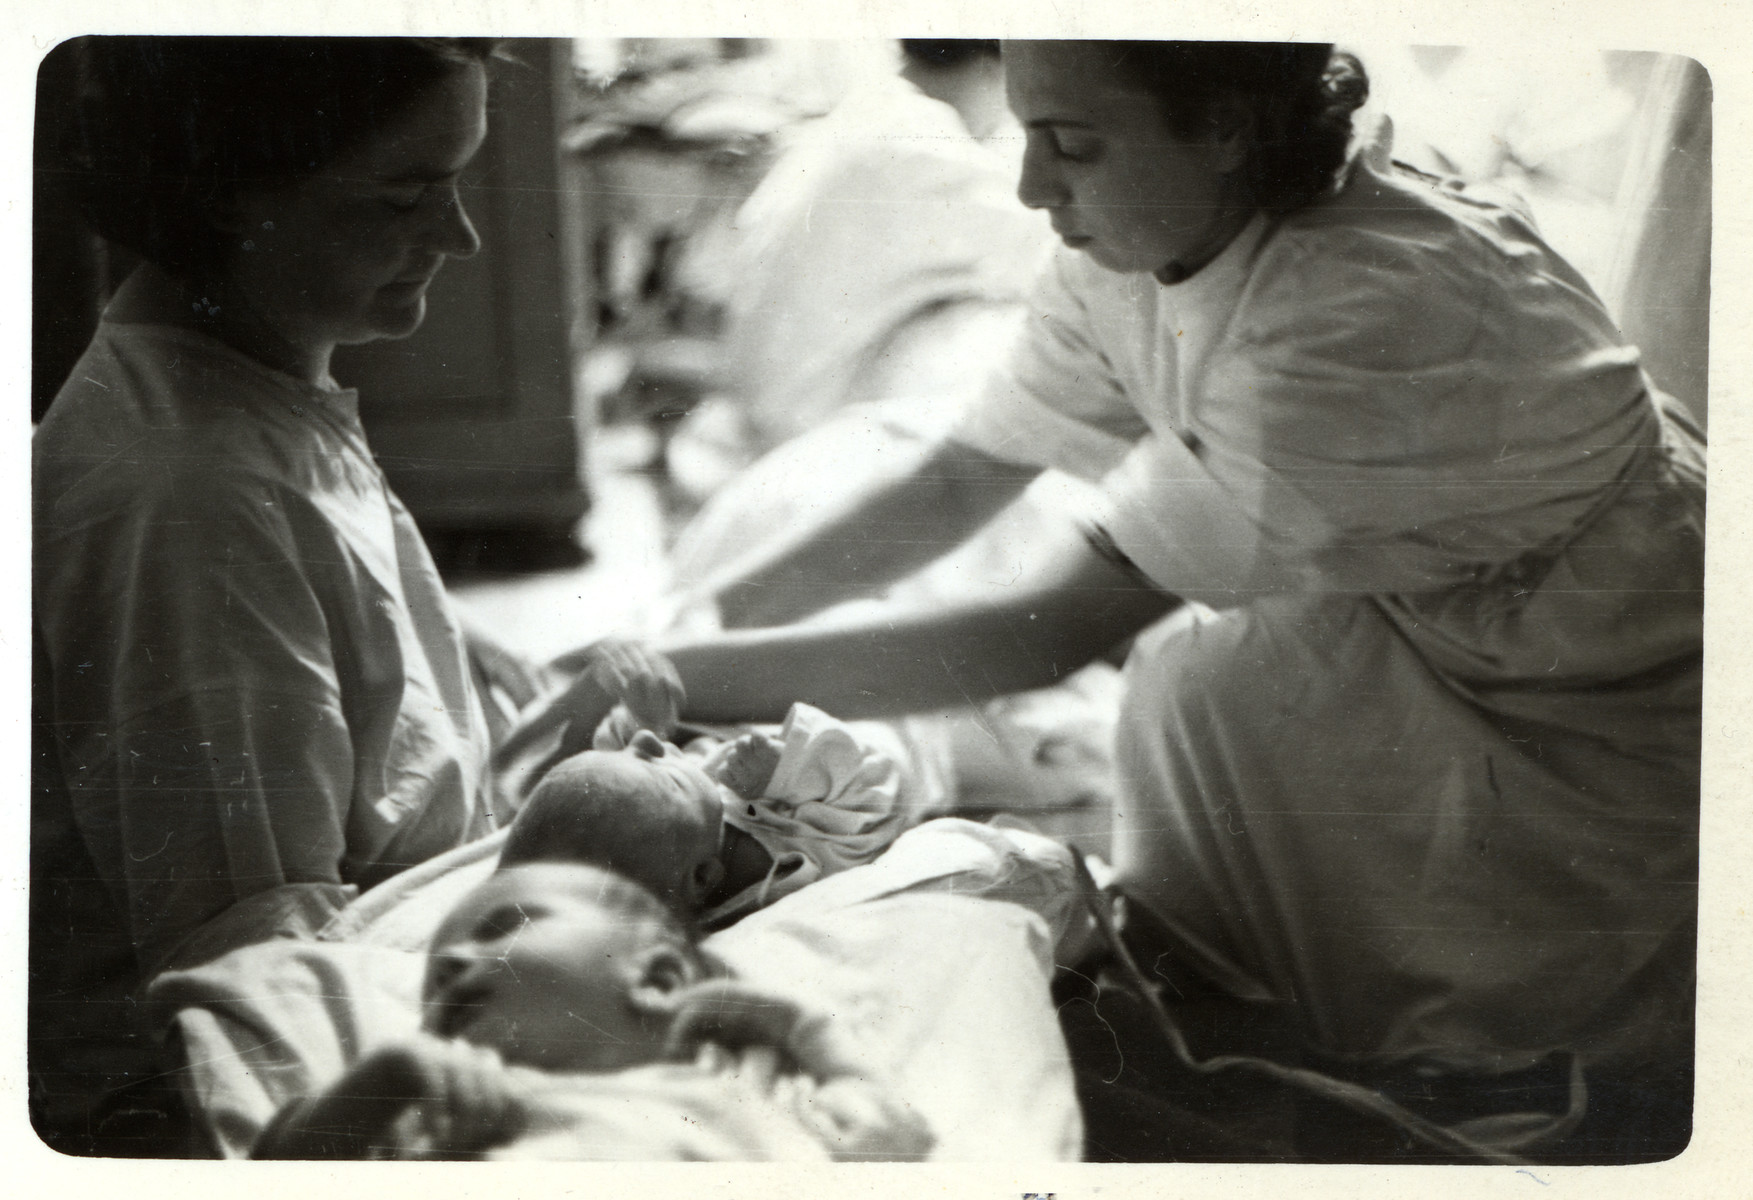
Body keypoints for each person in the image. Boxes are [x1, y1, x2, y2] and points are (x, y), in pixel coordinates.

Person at [509, 40, 1705, 1161]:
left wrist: (683, 677)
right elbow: (961, 476)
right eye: (1026, 130)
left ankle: (1446, 1080)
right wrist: (688, 619)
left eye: (1071, 144)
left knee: (1257, 755)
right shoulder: (1133, 245)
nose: (1028, 184)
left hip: (1601, 650)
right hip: (1422, 585)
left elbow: (1039, 632)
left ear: (1227, 129)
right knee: (1206, 714)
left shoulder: (1355, 314)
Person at [28, 37, 665, 1152]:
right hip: (225, 1094)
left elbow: (382, 737)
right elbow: (260, 989)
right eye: (405, 195)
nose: (459, 236)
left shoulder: (261, 392)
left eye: (456, 183)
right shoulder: (192, 499)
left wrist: (546, 747)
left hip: (366, 968)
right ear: (225, 195)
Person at [251, 862, 933, 1160]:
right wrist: (377, 1086)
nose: (454, 961)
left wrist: (801, 1028)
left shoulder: (743, 1088)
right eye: (434, 986)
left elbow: (891, 1133)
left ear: (658, 978)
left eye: (499, 928)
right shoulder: (441, 1115)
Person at [501, 705, 935, 926]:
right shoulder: (788, 867)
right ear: (703, 879)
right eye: (664, 778)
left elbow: (620, 777)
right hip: (907, 741)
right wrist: (787, 774)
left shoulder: (674, 830)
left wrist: (636, 721)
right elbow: (873, 804)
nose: (650, 742)